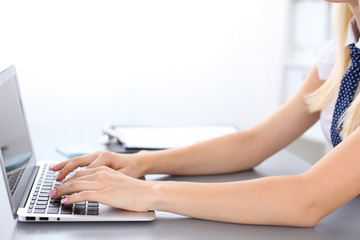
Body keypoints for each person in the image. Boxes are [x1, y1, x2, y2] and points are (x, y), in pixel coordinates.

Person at [48, 0, 360, 227]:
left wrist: (147, 193)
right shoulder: (340, 54)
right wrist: (142, 162)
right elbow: (254, 142)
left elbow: (306, 199)